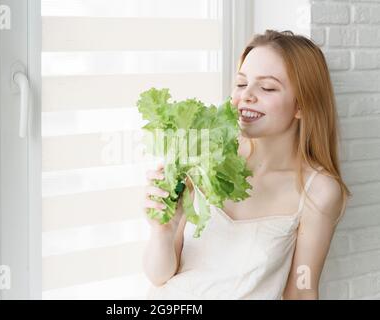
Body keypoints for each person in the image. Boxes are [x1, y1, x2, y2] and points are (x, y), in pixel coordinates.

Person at [142, 30, 351, 300]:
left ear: (302, 105)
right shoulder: (206, 155)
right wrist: (163, 230)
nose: (247, 96)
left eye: (267, 88)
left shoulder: (318, 191)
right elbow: (159, 276)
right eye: (241, 84)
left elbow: (302, 289)